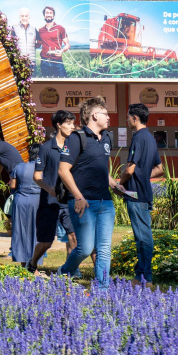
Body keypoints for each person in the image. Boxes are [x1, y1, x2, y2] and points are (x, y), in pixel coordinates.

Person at [55, 96, 125, 289]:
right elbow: (63, 170)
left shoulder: (107, 139)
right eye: (105, 114)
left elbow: (101, 168)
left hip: (106, 203)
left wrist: (114, 184)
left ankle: (102, 288)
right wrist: (78, 197)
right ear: (95, 115)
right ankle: (65, 270)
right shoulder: (77, 138)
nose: (109, 117)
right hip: (83, 203)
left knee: (103, 248)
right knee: (85, 248)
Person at [118, 104, 163, 286]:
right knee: (143, 236)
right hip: (145, 193)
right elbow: (159, 169)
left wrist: (120, 185)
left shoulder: (138, 138)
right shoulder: (151, 138)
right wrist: (144, 176)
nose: (127, 120)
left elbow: (129, 169)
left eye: (128, 117)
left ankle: (145, 277)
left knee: (143, 237)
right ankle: (141, 275)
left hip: (136, 195)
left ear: (135, 118)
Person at [28, 110, 78, 274]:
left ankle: (69, 269)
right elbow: (36, 176)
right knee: (46, 242)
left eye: (73, 123)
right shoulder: (46, 148)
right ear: (58, 125)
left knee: (74, 237)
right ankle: (33, 264)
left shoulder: (74, 147)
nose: (73, 126)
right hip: (49, 202)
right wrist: (49, 189)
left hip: (69, 200)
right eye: (68, 123)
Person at [10, 144, 41, 267]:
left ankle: (23, 264)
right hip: (37, 201)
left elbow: (12, 185)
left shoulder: (19, 166)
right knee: (36, 232)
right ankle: (34, 265)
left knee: (21, 231)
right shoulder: (42, 167)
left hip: (21, 201)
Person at [37, 6, 69, 78]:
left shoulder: (60, 28)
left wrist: (61, 51)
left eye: (51, 13)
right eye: (47, 13)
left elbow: (67, 45)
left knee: (63, 83)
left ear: (53, 15)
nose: (48, 14)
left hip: (57, 62)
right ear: (44, 15)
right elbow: (38, 44)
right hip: (44, 62)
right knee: (47, 86)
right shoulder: (41, 30)